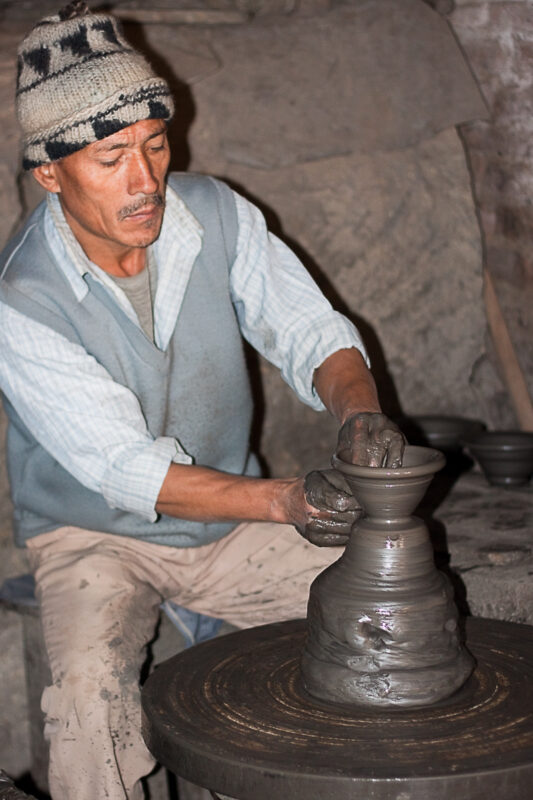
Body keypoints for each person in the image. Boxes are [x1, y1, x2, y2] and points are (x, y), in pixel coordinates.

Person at [0, 3, 405, 798]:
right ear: (49, 171)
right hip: (93, 537)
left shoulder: (212, 213)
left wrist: (360, 413)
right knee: (90, 715)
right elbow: (122, 468)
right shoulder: (21, 297)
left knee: (385, 632)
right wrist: (288, 500)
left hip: (226, 525)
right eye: (110, 157)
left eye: (156, 144)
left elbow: (310, 331)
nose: (145, 179)